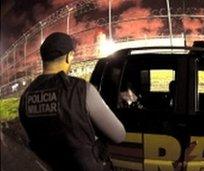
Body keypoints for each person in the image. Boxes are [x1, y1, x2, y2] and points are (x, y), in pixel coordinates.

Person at [18, 32, 126, 171]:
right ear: (69, 57)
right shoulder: (81, 89)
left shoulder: (25, 97)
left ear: (43, 59)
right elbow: (118, 135)